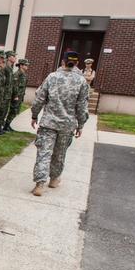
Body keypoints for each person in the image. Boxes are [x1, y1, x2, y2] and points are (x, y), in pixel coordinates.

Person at [30, 50, 89, 196]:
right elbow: (82, 106)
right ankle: (54, 179)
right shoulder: (81, 81)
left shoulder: (52, 77)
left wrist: (34, 114)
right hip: (67, 125)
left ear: (62, 62)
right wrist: (80, 124)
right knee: (59, 153)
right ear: (76, 64)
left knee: (44, 152)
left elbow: (39, 98)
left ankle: (39, 184)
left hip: (48, 123)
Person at [6, 57, 29, 131]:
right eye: (25, 65)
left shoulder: (22, 74)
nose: (26, 67)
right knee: (13, 110)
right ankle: (6, 124)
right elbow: (14, 85)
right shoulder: (18, 74)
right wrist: (15, 95)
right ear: (21, 65)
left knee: (16, 110)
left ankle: (8, 124)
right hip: (16, 96)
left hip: (20, 95)